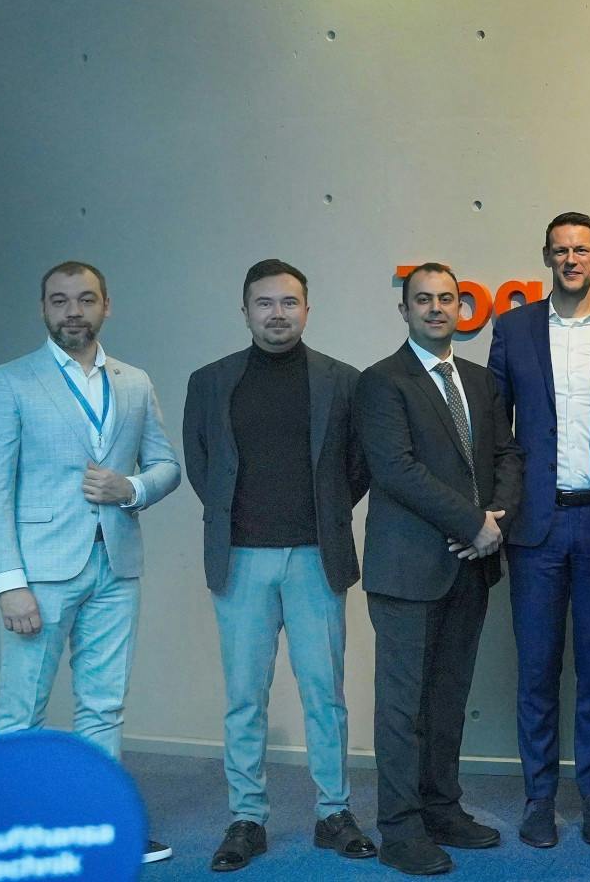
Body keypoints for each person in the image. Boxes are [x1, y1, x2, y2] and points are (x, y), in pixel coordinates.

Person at [0, 260, 183, 865]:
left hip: (116, 567)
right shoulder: (9, 382)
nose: (72, 312)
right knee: (21, 710)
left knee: (104, 705)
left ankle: (102, 824)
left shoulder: (134, 382)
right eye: (59, 301)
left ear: (105, 306)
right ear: (43, 309)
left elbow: (166, 465)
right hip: (38, 574)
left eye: (85, 300)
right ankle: (2, 832)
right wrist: (8, 584)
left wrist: (131, 489)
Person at [183, 259, 376, 870]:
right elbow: (201, 463)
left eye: (289, 303)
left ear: (307, 310)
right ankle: (246, 817)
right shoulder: (210, 381)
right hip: (239, 559)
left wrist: (321, 513)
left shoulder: (342, 381)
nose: (277, 314)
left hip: (317, 558)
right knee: (245, 696)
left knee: (326, 695)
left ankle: (333, 813)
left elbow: (358, 465)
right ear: (244, 311)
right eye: (264, 303)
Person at [487, 212, 590, 849]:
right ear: (547, 258)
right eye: (560, 251)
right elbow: (497, 431)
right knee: (535, 672)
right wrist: (497, 511)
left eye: (582, 250)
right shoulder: (515, 328)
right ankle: (538, 799)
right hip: (536, 528)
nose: (571, 260)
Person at [356, 262, 522, 876]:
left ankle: (441, 809)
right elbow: (397, 471)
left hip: (471, 567)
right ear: (404, 310)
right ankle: (399, 830)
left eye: (446, 299)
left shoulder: (479, 382)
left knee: (450, 698)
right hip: (407, 571)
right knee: (403, 707)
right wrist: (472, 523)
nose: (435, 308)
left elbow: (507, 453)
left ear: (462, 309)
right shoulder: (381, 383)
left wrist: (496, 523)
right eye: (421, 299)